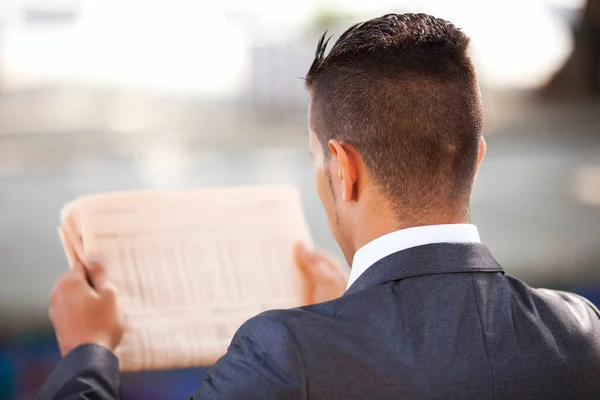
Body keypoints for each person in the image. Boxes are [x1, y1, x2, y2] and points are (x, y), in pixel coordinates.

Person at [37, 13, 600, 400]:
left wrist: (87, 353)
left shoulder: (284, 353)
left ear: (343, 168)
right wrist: (352, 312)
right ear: (475, 159)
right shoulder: (579, 329)